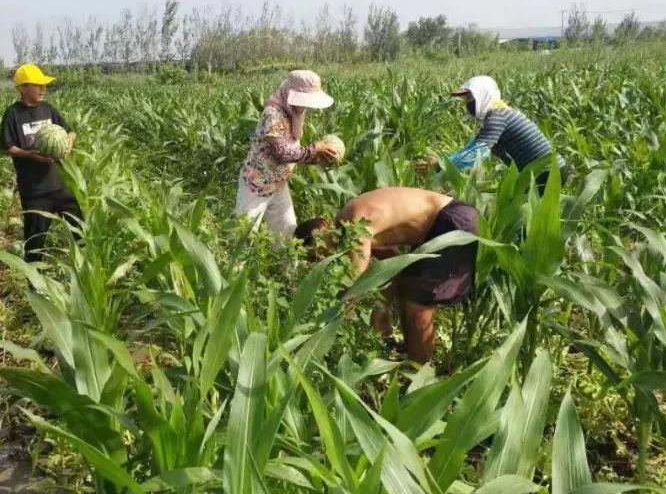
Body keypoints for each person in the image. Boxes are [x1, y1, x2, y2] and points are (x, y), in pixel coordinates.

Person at [295, 187, 479, 364]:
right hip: (438, 228)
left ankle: (420, 378)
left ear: (323, 227)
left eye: (317, 252)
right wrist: (382, 313)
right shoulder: (355, 227)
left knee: (418, 307)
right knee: (407, 289)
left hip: (451, 222)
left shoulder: (354, 223)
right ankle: (410, 358)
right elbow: (392, 264)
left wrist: (336, 328)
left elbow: (354, 285)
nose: (322, 258)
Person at [235, 70, 340, 236]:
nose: (305, 105)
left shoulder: (295, 113)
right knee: (242, 236)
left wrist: (318, 157)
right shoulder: (273, 114)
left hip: (278, 185)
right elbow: (282, 153)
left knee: (287, 235)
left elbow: (295, 151)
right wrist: (315, 148)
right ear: (290, 93)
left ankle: (288, 263)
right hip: (256, 186)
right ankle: (232, 263)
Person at [421, 75, 567, 192]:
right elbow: (473, 147)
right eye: (465, 99)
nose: (467, 103)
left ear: (483, 96)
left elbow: (476, 153)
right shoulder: (498, 116)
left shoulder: (497, 117)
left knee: (516, 217)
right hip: (545, 171)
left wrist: (441, 166)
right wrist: (444, 165)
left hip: (546, 172)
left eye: (470, 98)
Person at [0, 63, 82, 263]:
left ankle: (85, 273)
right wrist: (30, 155)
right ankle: (34, 288)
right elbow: (5, 147)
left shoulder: (48, 109)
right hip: (34, 191)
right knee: (35, 245)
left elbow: (71, 131)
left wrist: (68, 143)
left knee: (81, 232)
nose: (42, 89)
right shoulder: (13, 114)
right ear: (23, 88)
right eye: (37, 85)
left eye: (43, 85)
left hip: (60, 185)